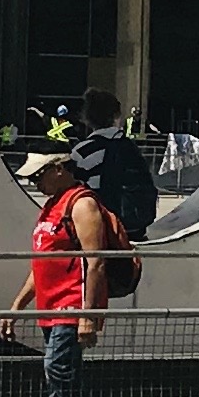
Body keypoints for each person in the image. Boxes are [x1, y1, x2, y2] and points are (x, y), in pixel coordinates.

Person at [7, 147, 127, 397]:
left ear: (59, 168)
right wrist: (19, 304)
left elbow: (96, 261)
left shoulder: (82, 204)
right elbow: (43, 262)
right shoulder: (51, 208)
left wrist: (88, 316)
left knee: (58, 369)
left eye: (37, 175)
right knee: (58, 376)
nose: (34, 183)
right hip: (50, 305)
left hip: (71, 304)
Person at [67, 90, 160, 283]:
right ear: (117, 115)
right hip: (133, 228)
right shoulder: (131, 149)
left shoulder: (82, 151)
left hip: (99, 232)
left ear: (86, 118)